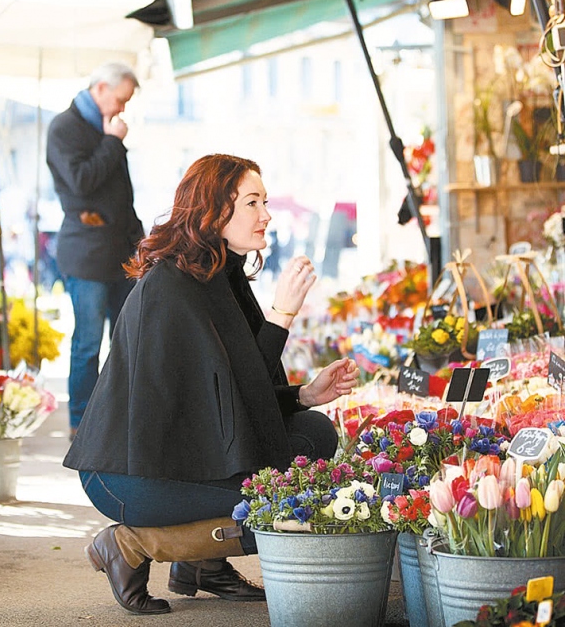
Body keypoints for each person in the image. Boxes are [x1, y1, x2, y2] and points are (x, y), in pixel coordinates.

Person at [64, 153, 359, 616]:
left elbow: (235, 400)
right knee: (283, 492)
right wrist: (280, 317)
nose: (265, 215)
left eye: (265, 201)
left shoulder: (220, 272)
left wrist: (303, 395)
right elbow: (226, 406)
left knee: (312, 433)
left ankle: (202, 563)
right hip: (129, 475)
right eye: (251, 203)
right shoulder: (171, 287)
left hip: (180, 457)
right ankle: (131, 545)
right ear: (214, 211)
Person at [46, 63, 145, 439]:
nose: (122, 109)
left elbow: (121, 197)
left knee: (126, 339)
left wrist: (142, 244)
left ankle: (120, 416)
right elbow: (82, 182)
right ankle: (82, 421)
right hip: (86, 254)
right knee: (87, 342)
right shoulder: (65, 128)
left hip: (121, 251)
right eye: (120, 100)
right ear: (101, 88)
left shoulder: (106, 128)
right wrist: (112, 142)